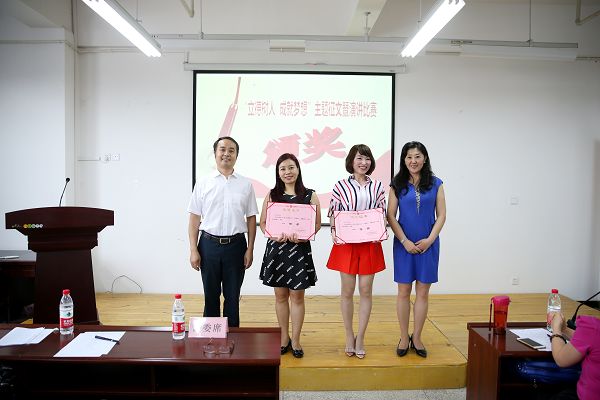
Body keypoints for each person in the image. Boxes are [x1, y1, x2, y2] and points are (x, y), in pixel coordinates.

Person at [188, 136, 258, 327]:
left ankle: (233, 337)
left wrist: (250, 249)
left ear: (236, 155)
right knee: (210, 296)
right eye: (222, 149)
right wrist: (193, 250)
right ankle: (210, 338)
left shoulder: (245, 184)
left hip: (236, 246)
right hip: (208, 245)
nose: (226, 153)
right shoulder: (203, 182)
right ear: (215, 153)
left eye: (231, 150)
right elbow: (194, 218)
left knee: (232, 297)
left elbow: (251, 217)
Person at [326, 144, 386, 359]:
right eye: (359, 158)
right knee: (347, 291)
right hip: (347, 244)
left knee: (366, 290)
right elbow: (333, 213)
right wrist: (334, 232)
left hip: (370, 243)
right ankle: (349, 335)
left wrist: (379, 228)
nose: (364, 162)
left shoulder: (378, 186)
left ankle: (361, 337)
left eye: (367, 158)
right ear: (351, 161)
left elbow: (382, 213)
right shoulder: (340, 186)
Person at [387, 141, 446, 358]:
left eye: (417, 156)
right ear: (404, 160)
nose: (413, 161)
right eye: (409, 157)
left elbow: (442, 215)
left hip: (428, 246)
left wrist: (430, 240)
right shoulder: (397, 184)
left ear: (425, 158)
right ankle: (404, 337)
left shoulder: (436, 183)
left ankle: (417, 337)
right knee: (403, 292)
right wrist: (404, 241)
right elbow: (390, 215)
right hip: (403, 245)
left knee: (422, 292)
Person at [259, 153, 321, 358]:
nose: (287, 172)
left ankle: (296, 339)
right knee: (280, 296)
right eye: (283, 168)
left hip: (299, 251)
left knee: (297, 297)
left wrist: (304, 236)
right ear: (278, 172)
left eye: (291, 167)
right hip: (277, 251)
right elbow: (263, 223)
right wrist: (273, 234)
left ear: (298, 169)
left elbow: (316, 224)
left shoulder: (310, 195)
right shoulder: (272, 195)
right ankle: (284, 337)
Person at [549, 313, 600, 400]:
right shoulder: (593, 330)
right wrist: (565, 329)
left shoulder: (593, 326)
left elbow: (561, 359)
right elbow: (588, 338)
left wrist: (556, 329)